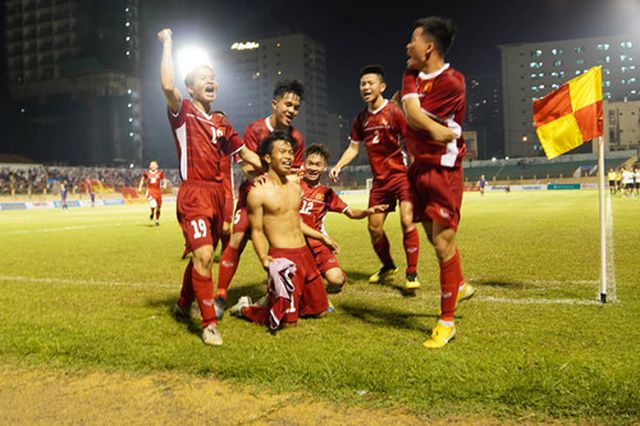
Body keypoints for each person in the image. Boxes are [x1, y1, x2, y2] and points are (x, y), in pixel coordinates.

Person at [158, 28, 263, 346]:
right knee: (204, 256)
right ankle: (209, 324)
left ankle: (181, 304)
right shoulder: (183, 113)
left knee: (200, 259)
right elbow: (165, 84)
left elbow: (244, 154)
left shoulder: (221, 123)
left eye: (213, 76)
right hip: (195, 194)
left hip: (219, 197)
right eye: (203, 76)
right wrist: (168, 45)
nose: (211, 80)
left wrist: (275, 167)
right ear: (190, 87)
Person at [401, 16, 475, 348]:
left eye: (413, 40)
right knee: (434, 238)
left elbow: (415, 116)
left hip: (444, 171)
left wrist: (425, 126)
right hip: (419, 169)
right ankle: (458, 284)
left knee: (444, 243)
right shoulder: (410, 73)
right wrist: (432, 129)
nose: (408, 45)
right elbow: (412, 115)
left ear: (428, 47)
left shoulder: (453, 82)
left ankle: (447, 322)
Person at [230, 131, 339, 330]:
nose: (289, 156)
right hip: (283, 258)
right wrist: (263, 257)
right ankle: (245, 308)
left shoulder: (296, 187)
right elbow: (255, 230)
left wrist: (321, 237)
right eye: (282, 152)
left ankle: (282, 299)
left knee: (321, 311)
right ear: (268, 157)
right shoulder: (258, 193)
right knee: (288, 323)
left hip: (305, 254)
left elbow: (296, 222)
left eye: (290, 152)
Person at [215, 80, 306, 316]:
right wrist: (265, 177)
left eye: (296, 107)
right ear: (275, 104)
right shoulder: (255, 129)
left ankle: (288, 291)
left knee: (290, 242)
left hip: (280, 200)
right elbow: (245, 164)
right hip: (253, 195)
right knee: (237, 239)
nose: (292, 111)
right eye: (288, 104)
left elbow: (293, 172)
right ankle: (220, 295)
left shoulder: (297, 137)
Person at [329, 65, 421, 292]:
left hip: (401, 176)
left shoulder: (394, 112)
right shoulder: (361, 119)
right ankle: (388, 265)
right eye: (362, 84)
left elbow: (409, 142)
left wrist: (416, 169)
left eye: (370, 83)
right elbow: (353, 148)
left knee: (407, 221)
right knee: (374, 228)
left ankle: (412, 273)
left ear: (382, 86)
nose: (366, 87)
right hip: (380, 182)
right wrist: (338, 165)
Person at [301, 144, 387, 293]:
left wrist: (368, 211)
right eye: (310, 163)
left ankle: (319, 275)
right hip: (294, 242)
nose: (313, 168)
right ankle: (311, 278)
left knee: (337, 280)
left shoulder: (327, 193)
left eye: (318, 165)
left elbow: (351, 213)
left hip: (318, 242)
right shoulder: (292, 184)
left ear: (324, 167)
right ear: (304, 164)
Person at [138, 161, 166, 225]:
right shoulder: (146, 173)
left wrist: (164, 185)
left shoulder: (160, 173)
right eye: (152, 165)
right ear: (149, 166)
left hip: (158, 191)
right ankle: (153, 212)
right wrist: (140, 187)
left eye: (154, 165)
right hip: (150, 190)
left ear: (157, 166)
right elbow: (142, 179)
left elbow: (164, 179)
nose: (153, 166)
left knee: (158, 208)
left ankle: (156, 219)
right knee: (153, 204)